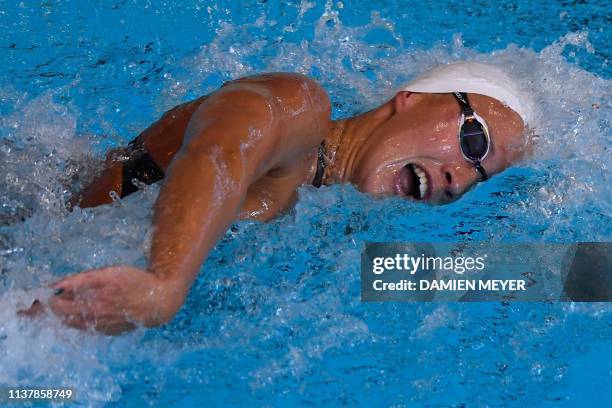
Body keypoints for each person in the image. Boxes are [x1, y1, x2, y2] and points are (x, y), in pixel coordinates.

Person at [22, 61, 533, 334]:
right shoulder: (299, 108)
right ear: (411, 99)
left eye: (479, 178)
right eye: (473, 141)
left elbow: (520, 275)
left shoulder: (340, 222)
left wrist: (584, 273)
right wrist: (164, 285)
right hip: (25, 233)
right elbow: (218, 156)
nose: (459, 180)